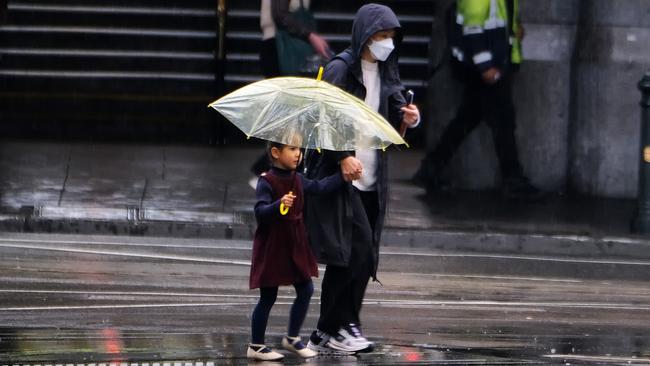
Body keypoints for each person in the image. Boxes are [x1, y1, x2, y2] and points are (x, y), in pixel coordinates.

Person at [303, 4, 420, 354]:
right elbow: (324, 118)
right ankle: (340, 327)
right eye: (382, 36)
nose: (387, 43)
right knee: (354, 250)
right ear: (365, 35)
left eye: (391, 38)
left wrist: (410, 116)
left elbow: (397, 109)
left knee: (362, 257)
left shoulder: (387, 70)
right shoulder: (339, 69)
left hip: (373, 177)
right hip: (343, 178)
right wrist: (342, 157)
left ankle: (332, 329)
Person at [413, 0, 541, 199]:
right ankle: (513, 178)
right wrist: (485, 67)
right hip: (487, 70)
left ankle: (431, 168)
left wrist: (515, 31)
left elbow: (503, 22)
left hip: (494, 66)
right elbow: (473, 30)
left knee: (468, 118)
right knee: (503, 121)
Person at [247, 141, 346, 361]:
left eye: (299, 150)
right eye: (292, 149)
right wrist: (280, 204)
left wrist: (343, 175)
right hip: (273, 245)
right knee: (268, 296)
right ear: (275, 152)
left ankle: (292, 338)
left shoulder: (298, 179)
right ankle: (256, 345)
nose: (298, 154)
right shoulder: (267, 181)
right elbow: (261, 212)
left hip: (295, 243)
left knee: (306, 289)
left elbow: (320, 187)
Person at [251, 0, 331, 180]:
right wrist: (310, 36)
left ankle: (270, 171)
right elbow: (280, 15)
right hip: (279, 50)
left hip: (286, 50)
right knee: (290, 115)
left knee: (292, 116)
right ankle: (268, 171)